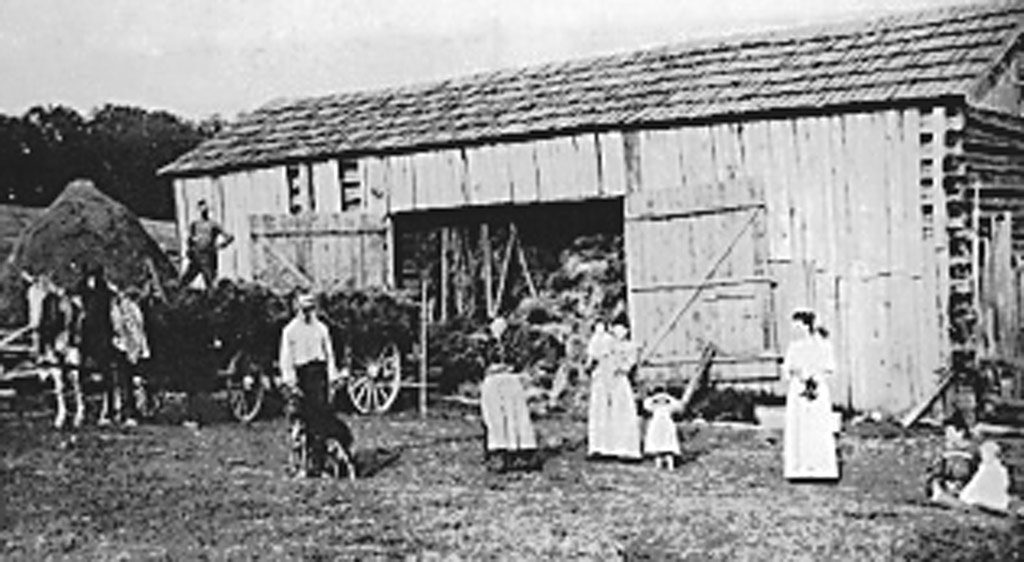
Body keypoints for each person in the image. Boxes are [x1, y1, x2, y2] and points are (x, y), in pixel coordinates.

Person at [279, 293, 340, 477]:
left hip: (319, 375)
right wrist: (291, 382)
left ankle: (319, 465)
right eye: (304, 309)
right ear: (297, 309)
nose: (307, 313)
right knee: (301, 422)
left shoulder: (321, 329)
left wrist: (332, 378)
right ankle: (301, 466)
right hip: (302, 376)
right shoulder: (290, 331)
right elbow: (286, 358)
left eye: (310, 309)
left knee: (320, 422)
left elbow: (329, 354)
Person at [782, 308, 839, 481]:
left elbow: (830, 368)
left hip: (818, 389)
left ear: (807, 326)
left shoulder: (823, 346)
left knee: (817, 425)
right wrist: (800, 375)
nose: (795, 331)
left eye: (798, 326)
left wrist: (815, 377)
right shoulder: (794, 347)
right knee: (799, 426)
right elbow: (787, 369)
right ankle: (799, 468)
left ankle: (822, 468)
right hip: (798, 389)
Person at [587, 321, 642, 460]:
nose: (618, 331)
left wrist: (621, 366)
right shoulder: (604, 342)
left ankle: (625, 448)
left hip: (619, 379)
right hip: (602, 378)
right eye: (615, 328)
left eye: (622, 328)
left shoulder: (630, 347)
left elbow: (628, 364)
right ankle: (600, 447)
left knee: (622, 410)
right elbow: (594, 357)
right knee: (600, 411)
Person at [74, 264, 119, 425]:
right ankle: (85, 408)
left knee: (106, 371)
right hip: (86, 333)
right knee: (79, 370)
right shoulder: (81, 289)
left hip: (102, 333)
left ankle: (108, 409)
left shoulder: (105, 292)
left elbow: (110, 313)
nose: (91, 279)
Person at [480, 362, 538, 472]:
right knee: (499, 417)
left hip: (509, 378)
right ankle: (506, 455)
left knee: (514, 416)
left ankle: (517, 455)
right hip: (500, 377)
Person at [111, 287, 151, 426]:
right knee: (124, 380)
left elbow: (136, 328)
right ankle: (126, 411)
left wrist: (135, 348)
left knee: (133, 380)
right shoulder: (116, 308)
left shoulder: (131, 308)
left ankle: (134, 411)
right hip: (121, 346)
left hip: (132, 347)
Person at [181, 199, 233, 290]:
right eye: (201, 208)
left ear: (208, 210)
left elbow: (229, 237)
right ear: (199, 210)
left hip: (208, 257)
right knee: (185, 281)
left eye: (205, 209)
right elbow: (189, 239)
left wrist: (220, 245)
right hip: (197, 256)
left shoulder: (213, 225)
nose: (204, 211)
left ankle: (211, 297)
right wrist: (190, 249)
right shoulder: (195, 225)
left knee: (210, 283)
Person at [643, 386, 682, 469]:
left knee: (663, 446)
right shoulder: (662, 404)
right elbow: (678, 406)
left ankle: (666, 465)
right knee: (662, 446)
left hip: (661, 424)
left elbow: (646, 405)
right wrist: (665, 397)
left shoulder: (657, 404)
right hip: (662, 424)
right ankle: (664, 465)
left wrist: (659, 398)